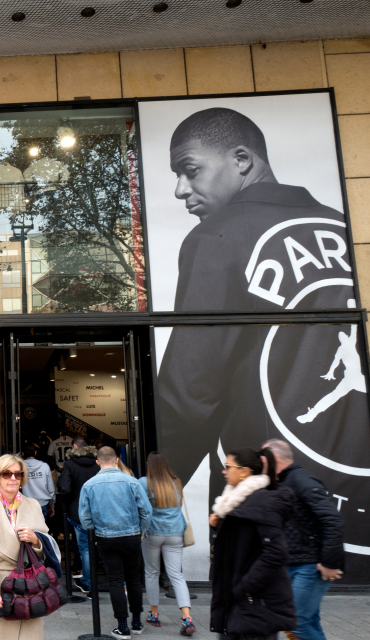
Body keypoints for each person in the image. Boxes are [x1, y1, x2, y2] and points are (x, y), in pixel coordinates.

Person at [156, 107, 363, 520]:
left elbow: (192, 388)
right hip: (353, 499)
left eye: (190, 170)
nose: (180, 189)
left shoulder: (218, 236)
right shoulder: (345, 229)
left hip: (265, 502)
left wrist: (158, 484)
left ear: (241, 160)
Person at [209, 448, 296, 640]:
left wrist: (244, 588)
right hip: (242, 603)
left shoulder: (261, 502)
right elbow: (246, 539)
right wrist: (220, 525)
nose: (224, 471)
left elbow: (276, 553)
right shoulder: (237, 501)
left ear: (244, 471)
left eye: (228, 467)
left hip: (255, 604)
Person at [261, 439, 344, 640]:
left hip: (312, 565)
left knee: (296, 623)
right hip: (293, 562)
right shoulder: (282, 482)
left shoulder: (302, 480)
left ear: (274, 460)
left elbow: (332, 520)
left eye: (262, 462)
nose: (259, 468)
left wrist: (329, 563)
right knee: (307, 621)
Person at [0, 453, 49, 640]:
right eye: (7, 474)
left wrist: (36, 541)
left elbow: (46, 550)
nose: (13, 478)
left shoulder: (34, 505)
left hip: (29, 589)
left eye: (18, 474)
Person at [79, 446, 153, 640]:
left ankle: (122, 626)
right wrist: (140, 531)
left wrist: (94, 535)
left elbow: (85, 517)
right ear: (117, 460)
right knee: (134, 579)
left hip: (106, 538)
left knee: (115, 580)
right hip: (131, 536)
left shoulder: (89, 485)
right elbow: (146, 511)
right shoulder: (132, 482)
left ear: (97, 462)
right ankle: (136, 622)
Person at [139, 451, 195, 636]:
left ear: (149, 465)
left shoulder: (144, 482)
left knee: (152, 572)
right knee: (176, 575)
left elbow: (141, 508)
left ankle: (154, 615)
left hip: (153, 533)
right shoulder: (176, 482)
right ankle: (187, 618)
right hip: (175, 533)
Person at [57, 437, 98, 593]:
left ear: (74, 447)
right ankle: (95, 580)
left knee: (85, 548)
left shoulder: (69, 464)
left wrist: (65, 504)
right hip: (96, 509)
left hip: (77, 511)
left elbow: (65, 488)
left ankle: (88, 582)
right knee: (96, 546)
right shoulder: (97, 462)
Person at [20, 443, 55, 522]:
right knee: (42, 532)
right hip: (43, 505)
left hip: (26, 505)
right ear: (35, 453)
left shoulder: (20, 467)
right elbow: (51, 488)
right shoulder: (44, 466)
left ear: (22, 454)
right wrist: (52, 505)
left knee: (29, 532)